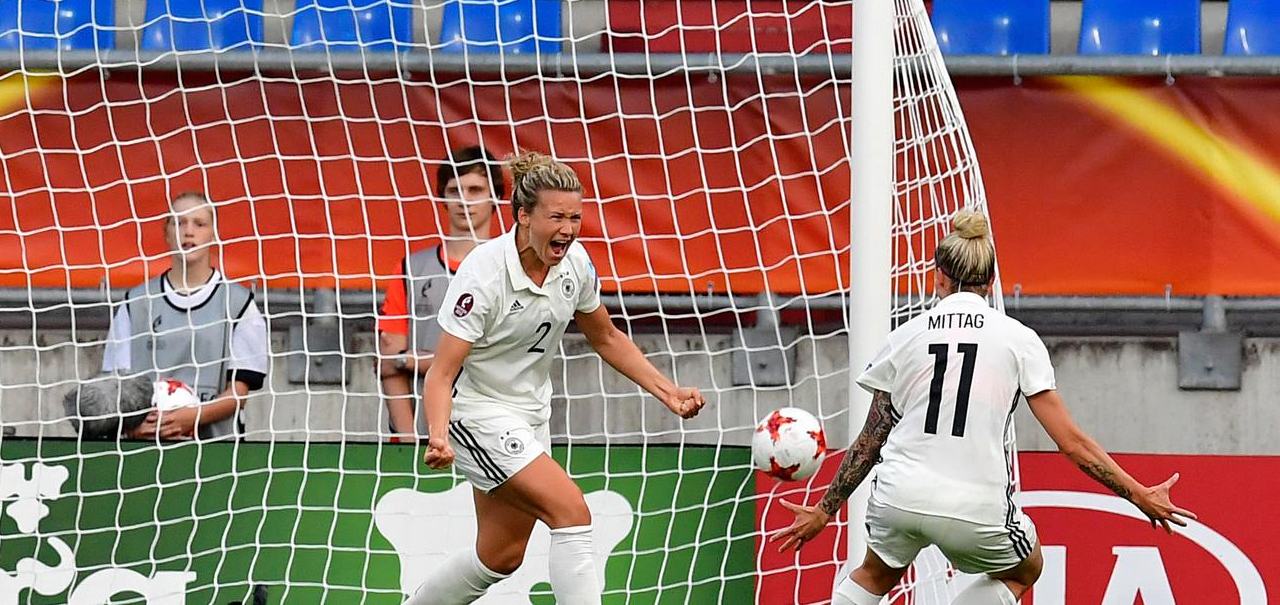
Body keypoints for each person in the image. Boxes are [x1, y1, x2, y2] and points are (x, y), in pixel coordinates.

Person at [772, 210, 1196, 605]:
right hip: (974, 506)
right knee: (1027, 568)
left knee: (874, 575)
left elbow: (871, 437)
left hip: (899, 493)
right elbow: (1071, 443)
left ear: (938, 277)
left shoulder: (905, 336)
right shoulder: (1018, 339)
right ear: (991, 282)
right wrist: (1138, 493)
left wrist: (824, 510)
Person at [408, 151, 707, 604]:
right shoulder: (484, 273)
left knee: (499, 556)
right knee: (572, 512)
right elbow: (442, 371)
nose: (568, 229)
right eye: (557, 217)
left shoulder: (575, 265)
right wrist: (437, 435)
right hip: (477, 414)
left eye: (575, 217)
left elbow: (605, 336)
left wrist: (668, 391)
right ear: (524, 216)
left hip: (530, 416)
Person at [101, 191, 269, 441]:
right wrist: (130, 427)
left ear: (213, 234)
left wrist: (192, 416)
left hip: (217, 454)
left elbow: (238, 393)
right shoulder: (136, 303)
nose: (188, 232)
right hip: (144, 450)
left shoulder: (239, 304)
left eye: (199, 224)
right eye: (179, 222)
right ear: (166, 233)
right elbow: (113, 388)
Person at [376, 146, 504, 442]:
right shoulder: (411, 269)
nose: (464, 200)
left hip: (494, 432)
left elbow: (491, 361)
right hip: (422, 435)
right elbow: (388, 365)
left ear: (496, 197)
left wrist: (409, 360)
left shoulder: (512, 268)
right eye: (454, 190)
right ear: (442, 197)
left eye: (475, 190)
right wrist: (407, 438)